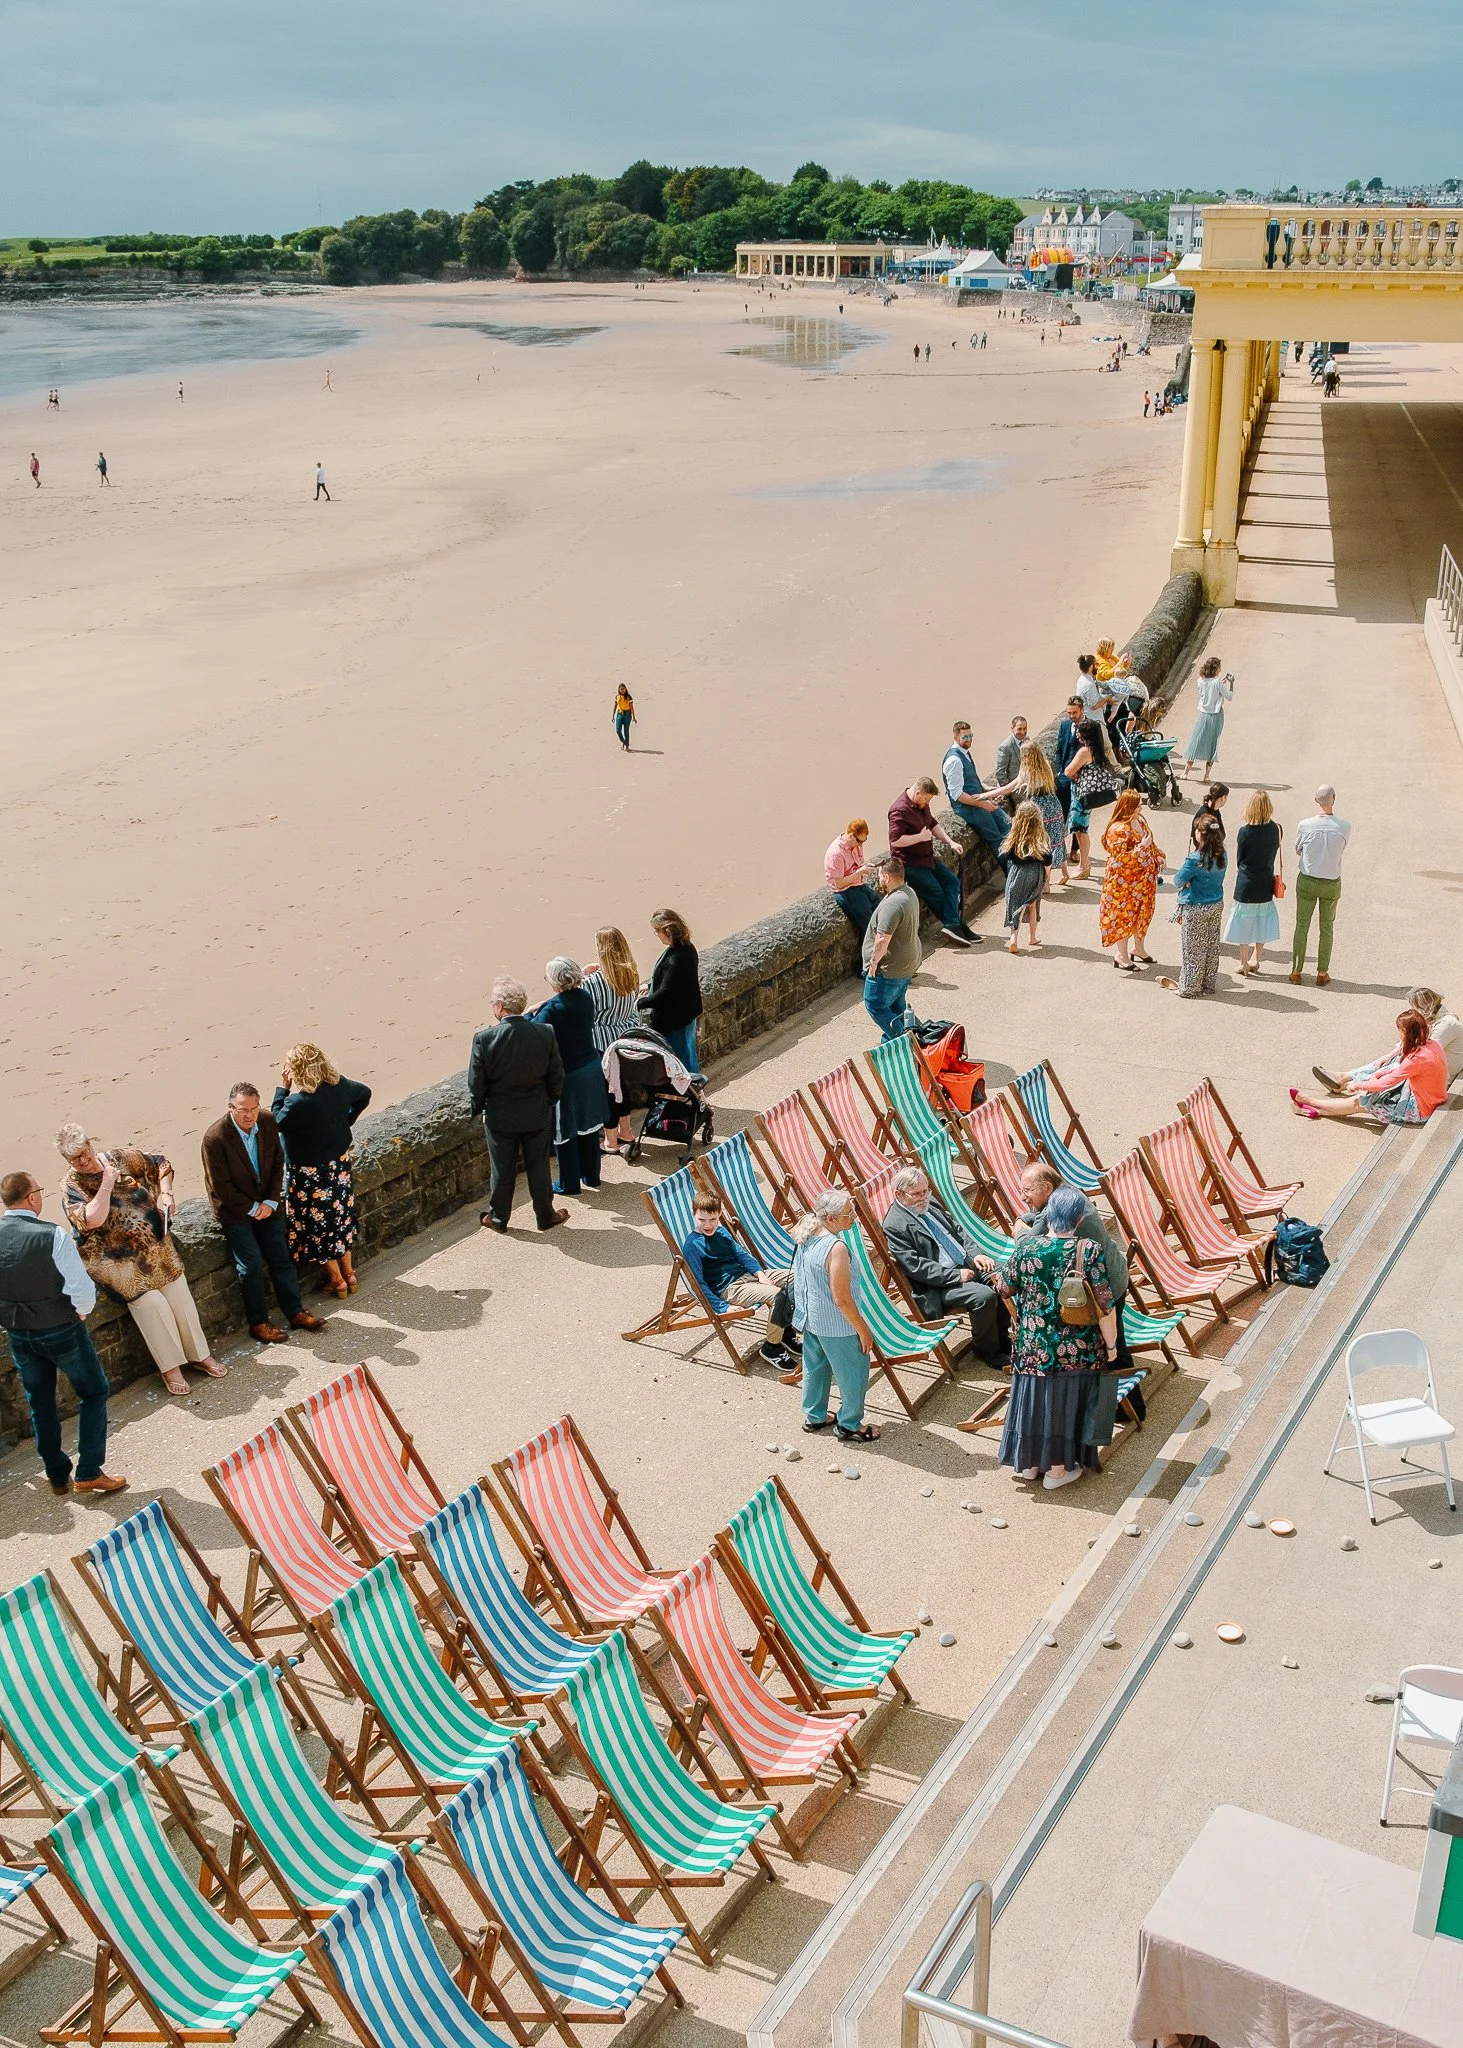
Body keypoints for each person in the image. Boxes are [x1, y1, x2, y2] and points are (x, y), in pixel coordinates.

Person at [57, 1124, 226, 1396]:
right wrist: (107, 1183)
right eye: (75, 1159)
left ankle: (200, 1355)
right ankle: (171, 1368)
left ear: (90, 1144)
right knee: (152, 1304)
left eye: (85, 1153)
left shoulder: (118, 1158)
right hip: (116, 1261)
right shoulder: (71, 1186)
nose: (83, 1161)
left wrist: (166, 1194)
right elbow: (91, 1220)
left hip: (155, 1248)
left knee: (179, 1294)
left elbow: (161, 1163)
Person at [0, 1170, 127, 1496]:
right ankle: (89, 1471)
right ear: (31, 1198)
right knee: (94, 1391)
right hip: (61, 1330)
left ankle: (57, 1476)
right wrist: (81, 1312)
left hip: (19, 1334)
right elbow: (80, 1287)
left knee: (40, 1404)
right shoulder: (52, 1234)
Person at [994, 1182, 1116, 1490]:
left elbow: (1004, 1287)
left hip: (1031, 1347)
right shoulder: (1088, 1250)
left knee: (1034, 1402)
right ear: (1078, 1219)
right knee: (1064, 1405)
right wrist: (1112, 1346)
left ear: (1048, 1216)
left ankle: (1030, 1465)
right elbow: (1105, 1306)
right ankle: (1057, 1472)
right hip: (1075, 1348)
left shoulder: (1027, 1249)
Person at [201, 1084, 328, 1344]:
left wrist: (270, 1201)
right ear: (231, 1108)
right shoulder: (215, 1138)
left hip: (267, 1203)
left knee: (281, 1257)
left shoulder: (268, 1122)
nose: (249, 1115)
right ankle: (258, 1323)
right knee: (250, 1267)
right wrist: (252, 1208)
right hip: (235, 1211)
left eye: (254, 1109)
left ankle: (295, 1312)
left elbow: (278, 1161)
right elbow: (220, 1186)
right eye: (243, 1110)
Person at [1016, 1159, 1139, 1394]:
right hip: (1116, 1274)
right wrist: (1027, 1218)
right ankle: (1126, 1400)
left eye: (1027, 1190)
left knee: (1112, 1350)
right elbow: (1037, 1216)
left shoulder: (1053, 1212)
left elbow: (1026, 1247)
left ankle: (1125, 1400)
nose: (1023, 1197)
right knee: (1115, 1341)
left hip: (1102, 1289)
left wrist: (1018, 1228)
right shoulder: (1070, 1194)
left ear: (1047, 1188)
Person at [271, 1045, 371, 1298]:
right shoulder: (340, 1086)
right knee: (340, 1219)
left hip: (308, 1175)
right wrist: (346, 1120)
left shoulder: (297, 1102)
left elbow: (275, 1121)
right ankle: (349, 1273)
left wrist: (283, 1088)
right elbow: (364, 1094)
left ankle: (337, 1280)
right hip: (338, 1167)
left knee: (316, 1227)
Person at [470, 976, 567, 1234]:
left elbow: (476, 1084)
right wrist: (548, 1102)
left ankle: (498, 1218)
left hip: (500, 1116)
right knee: (539, 1165)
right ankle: (545, 1215)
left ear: (500, 1007)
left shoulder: (484, 1039)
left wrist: (479, 1108)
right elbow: (557, 1075)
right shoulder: (544, 1032)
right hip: (536, 1112)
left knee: (502, 1169)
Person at [882, 1166, 1007, 1362]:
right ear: (899, 1194)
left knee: (1006, 1275)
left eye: (925, 1191)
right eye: (916, 1194)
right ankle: (987, 1352)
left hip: (966, 1261)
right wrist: (955, 1276)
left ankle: (1003, 1340)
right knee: (983, 1296)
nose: (923, 1197)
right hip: (940, 1284)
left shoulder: (928, 1202)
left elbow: (957, 1230)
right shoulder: (894, 1225)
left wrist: (976, 1255)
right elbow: (916, 1266)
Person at [791, 1192, 879, 1443]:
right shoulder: (836, 1248)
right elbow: (841, 1298)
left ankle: (815, 1415)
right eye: (848, 1214)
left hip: (812, 1318)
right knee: (853, 1373)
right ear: (830, 1218)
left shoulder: (806, 1231)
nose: (854, 1217)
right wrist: (863, 1330)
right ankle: (850, 1424)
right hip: (837, 1324)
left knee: (815, 1368)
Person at [683, 1190, 796, 1371]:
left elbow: (743, 1256)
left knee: (798, 1277)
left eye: (713, 1219)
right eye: (701, 1219)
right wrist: (722, 1307)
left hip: (747, 1276)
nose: (707, 1225)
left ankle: (785, 1331)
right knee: (779, 1297)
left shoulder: (722, 1232)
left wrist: (761, 1275)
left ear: (720, 1214)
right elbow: (698, 1284)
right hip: (730, 1288)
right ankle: (772, 1347)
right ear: (693, 1214)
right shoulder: (692, 1246)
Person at [534, 959, 612, 1197]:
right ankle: (592, 1175)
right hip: (591, 1067)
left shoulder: (551, 1010)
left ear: (554, 981)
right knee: (589, 1124)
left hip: (567, 1076)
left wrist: (529, 1013)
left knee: (564, 1128)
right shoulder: (585, 998)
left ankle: (569, 1183)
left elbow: (535, 1033)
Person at [1290, 1009, 1446, 1125]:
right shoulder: (1433, 1045)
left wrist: (1358, 1085)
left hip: (1420, 1109)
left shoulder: (1416, 1058)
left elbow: (1386, 1083)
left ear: (1406, 1032)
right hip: (1430, 1098)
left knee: (1362, 1101)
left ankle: (1311, 1102)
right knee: (1366, 1098)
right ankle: (1317, 1110)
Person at [1314, 987, 1463, 1094]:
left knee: (1394, 1066)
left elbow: (1422, 1052)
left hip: (1438, 1077)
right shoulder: (1433, 1020)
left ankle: (1346, 1083)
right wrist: (1388, 1055)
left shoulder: (1447, 1025)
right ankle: (1343, 1079)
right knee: (1389, 1061)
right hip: (1428, 1068)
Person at [891, 775, 974, 944]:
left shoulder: (922, 803)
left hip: (927, 857)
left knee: (952, 882)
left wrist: (950, 842)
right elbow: (895, 840)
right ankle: (956, 926)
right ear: (917, 792)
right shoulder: (899, 810)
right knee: (936, 892)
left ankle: (954, 925)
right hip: (910, 864)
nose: (927, 802)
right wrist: (920, 837)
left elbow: (932, 823)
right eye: (926, 799)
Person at [585, 926, 641, 1153]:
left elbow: (583, 1006)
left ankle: (610, 1140)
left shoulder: (595, 982)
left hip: (601, 1042)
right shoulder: (632, 973)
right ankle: (625, 1131)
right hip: (625, 1038)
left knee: (608, 1090)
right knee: (622, 1086)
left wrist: (582, 974)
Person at [1290, 784, 1350, 987]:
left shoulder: (1304, 825)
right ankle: (1322, 972)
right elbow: (1341, 848)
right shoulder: (1344, 826)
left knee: (1302, 925)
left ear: (1316, 801)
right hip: (1331, 882)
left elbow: (1298, 848)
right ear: (1334, 798)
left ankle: (1296, 970)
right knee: (1327, 927)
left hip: (1308, 879)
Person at [1160, 818, 1227, 998]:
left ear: (1201, 834)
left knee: (1193, 949)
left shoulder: (1195, 859)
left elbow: (1177, 880)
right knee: (1211, 946)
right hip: (1216, 903)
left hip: (1196, 906)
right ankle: (1208, 983)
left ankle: (1190, 987)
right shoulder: (1223, 854)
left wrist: (1189, 880)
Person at [1099, 791, 1164, 970]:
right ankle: (1121, 955)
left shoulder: (1140, 821)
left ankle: (1138, 948)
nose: (1141, 808)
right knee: (1124, 917)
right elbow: (1120, 859)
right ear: (1128, 807)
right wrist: (1141, 848)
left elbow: (1150, 843)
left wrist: (1158, 856)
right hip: (1124, 885)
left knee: (1142, 913)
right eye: (1138, 806)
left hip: (1143, 882)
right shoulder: (1118, 829)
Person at [862, 856, 922, 1040]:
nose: (879, 880)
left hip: (889, 970)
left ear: (887, 877)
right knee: (897, 1008)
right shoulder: (909, 892)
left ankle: (909, 1042)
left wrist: (872, 966)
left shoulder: (892, 904)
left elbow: (882, 940)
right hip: (906, 965)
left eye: (880, 876)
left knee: (875, 1004)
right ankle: (910, 1039)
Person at [941, 723, 1009, 878]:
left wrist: (987, 790)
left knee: (1007, 827)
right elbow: (957, 794)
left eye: (970, 736)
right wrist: (983, 804)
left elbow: (971, 780)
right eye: (965, 736)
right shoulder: (954, 760)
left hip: (978, 801)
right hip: (968, 808)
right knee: (996, 839)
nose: (969, 739)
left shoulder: (964, 753)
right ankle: (1011, 873)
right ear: (955, 736)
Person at [1225, 789, 1281, 977]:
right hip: (1265, 881)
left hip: (1246, 883)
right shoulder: (1276, 829)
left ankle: (1243, 962)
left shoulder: (1245, 832)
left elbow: (1240, 859)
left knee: (1244, 923)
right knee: (1261, 920)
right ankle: (1256, 958)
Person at [997, 740, 1069, 887]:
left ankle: (1046, 884)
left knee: (1042, 843)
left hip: (1040, 808)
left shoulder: (1027, 771)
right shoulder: (1045, 765)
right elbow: (1038, 782)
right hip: (1053, 803)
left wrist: (985, 795)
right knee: (1057, 839)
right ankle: (1065, 873)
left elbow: (1008, 788)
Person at [1062, 718, 1122, 880]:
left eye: (1079, 732)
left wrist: (1074, 772)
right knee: (1081, 829)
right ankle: (1084, 864)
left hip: (1080, 796)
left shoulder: (1084, 751)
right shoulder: (1097, 749)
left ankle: (1084, 866)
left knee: (1080, 830)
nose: (1077, 734)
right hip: (1085, 795)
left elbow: (1068, 771)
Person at [642, 910, 702, 1072]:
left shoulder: (675, 958)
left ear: (667, 931)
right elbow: (677, 981)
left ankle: (689, 1085)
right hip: (687, 1015)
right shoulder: (687, 947)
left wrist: (639, 1003)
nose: (657, 935)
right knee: (688, 1055)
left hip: (675, 1021)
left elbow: (665, 995)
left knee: (678, 1062)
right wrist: (650, 986)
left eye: (657, 931)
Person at [1001, 802, 1050, 954]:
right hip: (1034, 874)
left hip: (1016, 873)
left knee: (1016, 905)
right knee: (1032, 905)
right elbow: (1048, 860)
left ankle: (1013, 938)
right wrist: (1046, 878)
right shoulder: (1039, 841)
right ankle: (1032, 937)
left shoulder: (1014, 840)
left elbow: (1006, 856)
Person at [825, 818, 877, 940]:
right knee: (868, 920)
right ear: (851, 835)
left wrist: (865, 867)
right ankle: (872, 948)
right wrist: (860, 872)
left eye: (864, 841)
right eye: (859, 841)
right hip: (845, 891)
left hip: (858, 884)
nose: (861, 845)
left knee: (879, 907)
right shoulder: (836, 853)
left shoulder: (856, 845)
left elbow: (858, 865)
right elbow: (839, 884)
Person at [1183, 657, 1233, 777]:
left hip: (1203, 714)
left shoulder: (1200, 680)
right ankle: (1206, 775)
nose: (1220, 670)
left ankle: (1185, 772)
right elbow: (1229, 696)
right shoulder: (1217, 682)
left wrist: (1220, 684)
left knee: (1196, 741)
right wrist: (1231, 684)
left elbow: (1207, 691)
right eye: (1219, 668)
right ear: (1215, 669)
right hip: (1216, 715)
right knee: (1212, 744)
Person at [992, 716, 1029, 790]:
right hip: (1015, 787)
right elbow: (1000, 773)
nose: (1022, 732)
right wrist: (1009, 790)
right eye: (1019, 729)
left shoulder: (1026, 740)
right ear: (1012, 728)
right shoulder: (1005, 747)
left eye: (1024, 728)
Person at [1192, 781, 1230, 847]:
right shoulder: (1205, 814)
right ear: (1222, 798)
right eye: (1226, 797)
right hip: (1206, 849)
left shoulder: (1215, 809)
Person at [612, 684, 635, 751]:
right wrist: (613, 715)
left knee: (626, 731)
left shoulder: (629, 697)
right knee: (618, 730)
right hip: (619, 714)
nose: (622, 690)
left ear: (625, 689)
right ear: (619, 690)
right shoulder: (617, 697)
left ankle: (627, 746)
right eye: (621, 689)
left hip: (627, 715)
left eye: (623, 689)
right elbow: (615, 706)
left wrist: (634, 717)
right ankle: (624, 742)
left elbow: (632, 708)